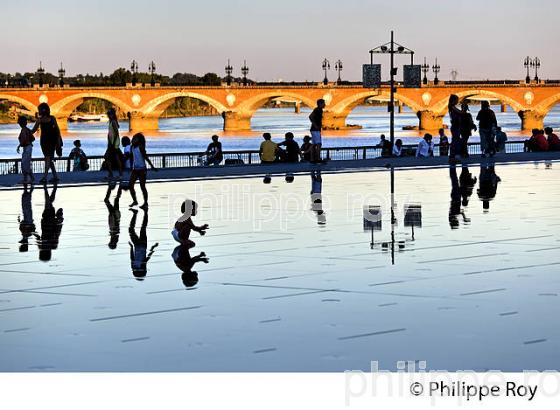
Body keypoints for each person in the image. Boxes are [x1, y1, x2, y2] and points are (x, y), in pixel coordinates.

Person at [31, 103, 62, 184]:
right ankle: (55, 176)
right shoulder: (52, 118)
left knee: (47, 158)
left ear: (41, 110)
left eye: (39, 110)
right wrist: (58, 140)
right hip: (52, 140)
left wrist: (25, 131)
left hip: (44, 141)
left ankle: (45, 177)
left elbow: (33, 130)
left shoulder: (39, 120)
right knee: (49, 159)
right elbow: (57, 130)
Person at [34, 184, 64, 261]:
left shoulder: (53, 245)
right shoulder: (42, 246)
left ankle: (54, 188)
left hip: (50, 221)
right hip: (46, 222)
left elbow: (58, 232)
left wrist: (59, 219)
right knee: (48, 203)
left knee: (49, 203)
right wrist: (33, 233)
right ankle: (45, 188)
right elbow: (38, 237)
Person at [129, 133, 158, 209]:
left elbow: (146, 158)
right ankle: (135, 201)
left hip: (142, 169)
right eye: (133, 138)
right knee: (130, 185)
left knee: (142, 186)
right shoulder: (132, 147)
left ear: (138, 140)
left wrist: (152, 167)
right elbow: (132, 158)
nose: (133, 139)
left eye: (135, 138)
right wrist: (130, 167)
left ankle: (145, 203)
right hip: (135, 169)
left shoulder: (141, 147)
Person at [128, 209, 158, 280]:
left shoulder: (140, 265)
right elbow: (132, 257)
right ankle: (142, 212)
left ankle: (139, 213)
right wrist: (131, 247)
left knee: (141, 228)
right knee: (137, 228)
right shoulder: (136, 265)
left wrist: (131, 247)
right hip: (139, 244)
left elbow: (148, 256)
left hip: (140, 244)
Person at [104, 108, 123, 180]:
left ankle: (115, 174)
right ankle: (113, 174)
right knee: (112, 158)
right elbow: (110, 134)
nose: (108, 115)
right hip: (111, 143)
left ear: (113, 114)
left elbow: (116, 134)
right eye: (108, 114)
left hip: (114, 144)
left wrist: (113, 143)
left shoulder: (113, 122)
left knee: (109, 157)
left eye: (109, 114)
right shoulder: (111, 122)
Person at [104, 181, 123, 249]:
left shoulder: (114, 235)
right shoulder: (115, 234)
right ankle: (116, 186)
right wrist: (113, 215)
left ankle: (119, 186)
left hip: (114, 214)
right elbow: (115, 223)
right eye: (110, 243)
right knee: (109, 200)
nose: (109, 242)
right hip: (114, 214)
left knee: (115, 200)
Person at [16, 116, 35, 184]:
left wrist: (19, 145)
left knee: (24, 163)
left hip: (26, 148)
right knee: (27, 162)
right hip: (29, 147)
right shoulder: (27, 129)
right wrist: (29, 142)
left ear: (20, 123)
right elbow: (33, 138)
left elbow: (23, 140)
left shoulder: (23, 130)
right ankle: (31, 177)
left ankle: (27, 179)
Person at [18, 184, 35, 252]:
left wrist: (21, 222)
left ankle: (28, 189)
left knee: (25, 204)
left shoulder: (28, 233)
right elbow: (32, 226)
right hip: (28, 219)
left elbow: (23, 226)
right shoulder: (28, 233)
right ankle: (30, 189)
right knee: (26, 204)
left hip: (27, 218)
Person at [309, 99, 325, 163]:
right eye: (323, 103)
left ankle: (312, 159)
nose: (325, 104)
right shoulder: (317, 109)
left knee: (314, 144)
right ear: (320, 104)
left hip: (315, 129)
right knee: (318, 144)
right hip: (315, 129)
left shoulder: (320, 110)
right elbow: (310, 117)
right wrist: (315, 125)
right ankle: (318, 159)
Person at [448, 95, 462, 161]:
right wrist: (464, 107)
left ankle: (454, 156)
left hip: (456, 126)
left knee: (456, 141)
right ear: (453, 100)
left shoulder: (452, 107)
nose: (457, 101)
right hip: (455, 126)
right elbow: (461, 113)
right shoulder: (452, 107)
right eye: (457, 100)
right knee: (455, 141)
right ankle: (453, 156)